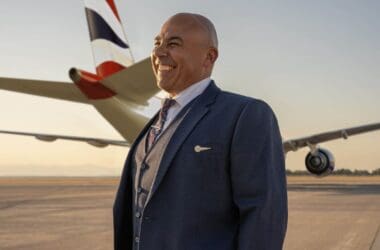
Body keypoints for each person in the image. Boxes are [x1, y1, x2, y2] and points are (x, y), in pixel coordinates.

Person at [113, 13, 287, 250]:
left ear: (209, 57)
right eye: (157, 43)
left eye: (173, 44)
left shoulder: (246, 115)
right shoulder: (154, 124)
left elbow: (263, 218)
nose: (159, 52)